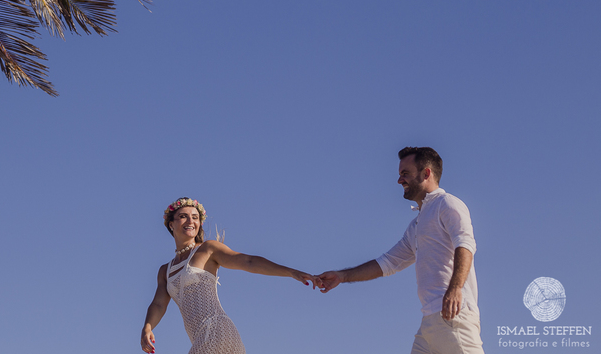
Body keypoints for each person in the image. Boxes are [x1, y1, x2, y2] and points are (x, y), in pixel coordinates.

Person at [315, 146, 485, 354]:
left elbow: (465, 244)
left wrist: (455, 288)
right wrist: (342, 276)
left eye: (405, 173)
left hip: (453, 316)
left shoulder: (447, 204)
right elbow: (388, 263)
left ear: (426, 173)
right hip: (429, 322)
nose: (399, 180)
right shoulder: (416, 225)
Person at [141, 197, 316, 354]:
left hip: (217, 331)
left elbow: (248, 261)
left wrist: (291, 272)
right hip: (201, 338)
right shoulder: (165, 270)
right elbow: (158, 304)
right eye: (183, 216)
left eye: (195, 217)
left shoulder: (207, 249)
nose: (190, 221)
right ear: (171, 224)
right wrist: (147, 328)